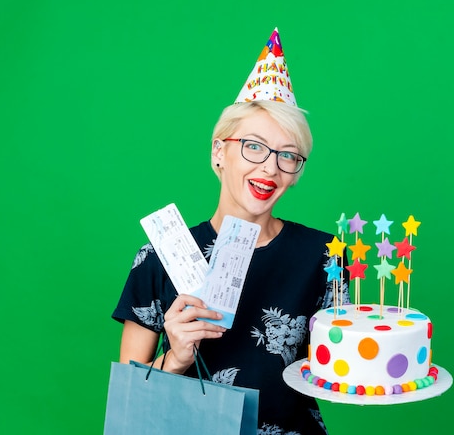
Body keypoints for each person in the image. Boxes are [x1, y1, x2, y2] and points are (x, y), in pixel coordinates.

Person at [111, 28, 349, 435]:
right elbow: (130, 397)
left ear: (295, 173)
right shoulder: (158, 257)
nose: (270, 168)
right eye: (254, 146)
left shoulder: (326, 255)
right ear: (219, 152)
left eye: (288, 156)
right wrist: (178, 357)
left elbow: (342, 369)